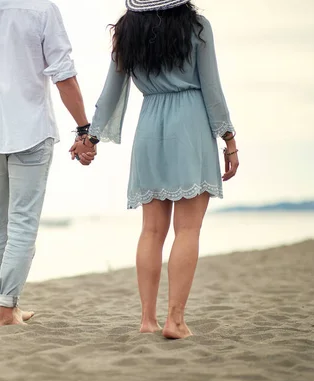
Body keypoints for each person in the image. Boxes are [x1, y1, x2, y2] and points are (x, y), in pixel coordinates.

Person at [70, 0, 240, 339]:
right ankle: (174, 321)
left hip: (149, 126)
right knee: (187, 230)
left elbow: (111, 91)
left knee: (151, 231)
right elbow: (213, 90)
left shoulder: (127, 31)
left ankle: (147, 320)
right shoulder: (197, 27)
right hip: (190, 123)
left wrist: (90, 138)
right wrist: (229, 140)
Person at [0, 0, 95, 327]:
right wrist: (85, 128)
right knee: (23, 222)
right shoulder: (42, 10)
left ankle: (9, 306)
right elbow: (63, 75)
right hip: (30, 130)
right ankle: (6, 308)